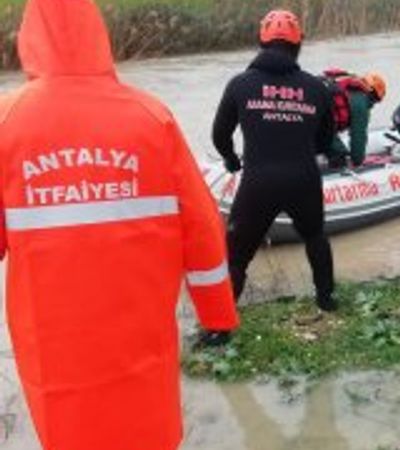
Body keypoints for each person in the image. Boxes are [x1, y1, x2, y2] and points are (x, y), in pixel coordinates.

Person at [0, 0, 239, 449]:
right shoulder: (151, 118)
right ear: (98, 36)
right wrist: (217, 313)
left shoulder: (7, 125)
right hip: (141, 346)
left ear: (29, 40)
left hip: (54, 357)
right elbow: (203, 229)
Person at [212, 9, 337, 311]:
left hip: (259, 182)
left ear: (262, 41)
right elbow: (326, 140)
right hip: (303, 179)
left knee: (238, 255)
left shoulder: (240, 84)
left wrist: (231, 159)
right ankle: (326, 301)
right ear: (298, 44)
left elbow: (219, 134)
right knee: (315, 236)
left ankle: (220, 328)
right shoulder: (317, 88)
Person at [322, 68, 387, 168]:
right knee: (339, 154)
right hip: (316, 124)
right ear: (373, 94)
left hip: (305, 116)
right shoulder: (360, 103)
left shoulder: (344, 86)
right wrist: (357, 162)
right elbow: (358, 137)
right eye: (375, 101)